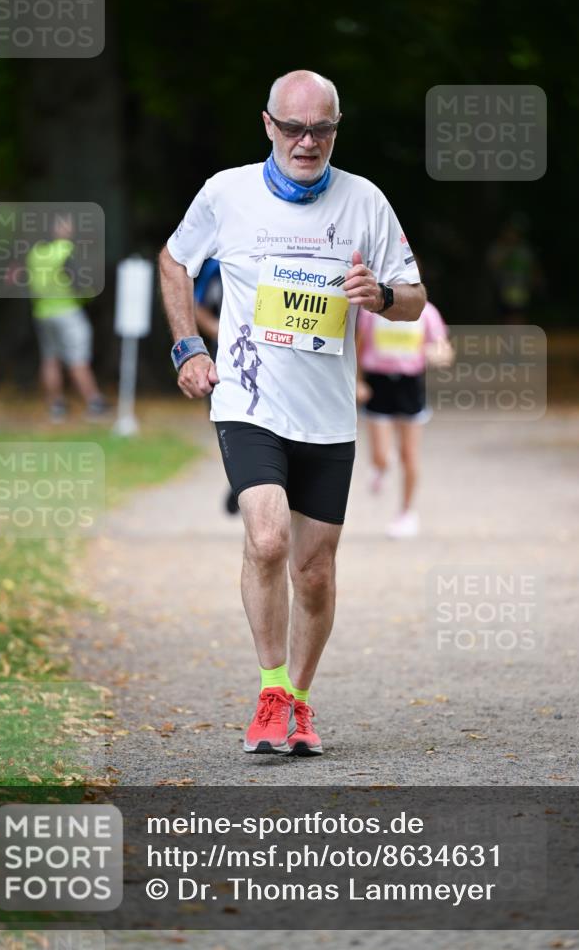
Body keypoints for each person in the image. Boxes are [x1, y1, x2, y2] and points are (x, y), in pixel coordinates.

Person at [159, 70, 425, 756]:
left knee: (314, 569)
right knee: (268, 538)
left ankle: (300, 702)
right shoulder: (227, 193)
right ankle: (270, 689)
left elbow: (416, 296)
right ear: (267, 124)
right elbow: (173, 261)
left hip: (328, 415)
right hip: (248, 400)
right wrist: (188, 346)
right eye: (293, 127)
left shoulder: (364, 200)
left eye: (322, 129)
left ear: (337, 128)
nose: (307, 142)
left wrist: (383, 296)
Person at [356, 300, 453, 538]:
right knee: (381, 456)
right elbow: (358, 345)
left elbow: (444, 349)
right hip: (378, 383)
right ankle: (380, 468)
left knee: (408, 454)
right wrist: (357, 381)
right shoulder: (372, 311)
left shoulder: (427, 312)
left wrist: (440, 355)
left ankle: (406, 513)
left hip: (410, 385)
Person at [27, 214, 108, 422]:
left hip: (43, 312)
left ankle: (56, 406)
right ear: (56, 229)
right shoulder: (65, 251)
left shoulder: (35, 253)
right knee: (78, 358)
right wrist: (89, 294)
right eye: (65, 226)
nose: (69, 230)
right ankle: (94, 402)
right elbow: (78, 281)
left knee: (50, 359)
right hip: (67, 311)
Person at [193, 258, 239, 514]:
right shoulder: (216, 266)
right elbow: (197, 306)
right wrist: (220, 332)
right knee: (225, 425)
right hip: (222, 360)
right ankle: (240, 478)